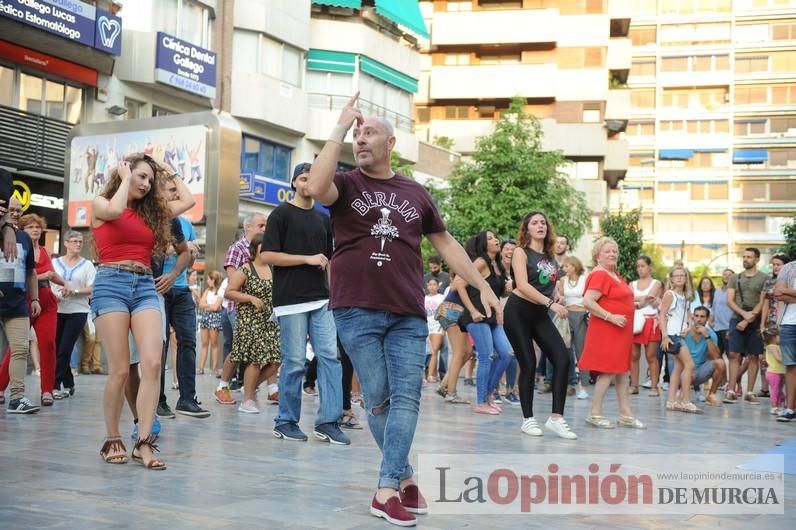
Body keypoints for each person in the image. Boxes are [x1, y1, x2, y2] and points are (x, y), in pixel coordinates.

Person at [306, 92, 499, 527]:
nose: (361, 139)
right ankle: (406, 476)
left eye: (369, 132)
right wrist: (339, 126)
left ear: (391, 143)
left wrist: (484, 284)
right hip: (355, 308)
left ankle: (387, 488)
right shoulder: (347, 184)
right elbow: (317, 189)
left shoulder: (416, 192)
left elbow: (446, 243)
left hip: (408, 312)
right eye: (357, 134)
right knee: (378, 399)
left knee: (407, 397)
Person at [92, 153, 194, 469]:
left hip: (145, 286)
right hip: (111, 284)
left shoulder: (154, 214)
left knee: (152, 363)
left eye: (150, 180)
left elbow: (188, 200)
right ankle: (112, 438)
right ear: (125, 173)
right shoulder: (100, 203)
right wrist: (124, 179)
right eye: (142, 176)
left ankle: (143, 442)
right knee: (121, 370)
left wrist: (166, 169)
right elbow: (113, 210)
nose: (147, 183)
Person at [262, 161, 347, 444]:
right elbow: (268, 256)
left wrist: (334, 292)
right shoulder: (280, 214)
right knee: (295, 360)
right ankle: (286, 420)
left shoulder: (324, 219)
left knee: (330, 358)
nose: (307, 183)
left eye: (312, 179)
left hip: (321, 299)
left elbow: (330, 261)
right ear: (294, 183)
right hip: (290, 300)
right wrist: (306, 259)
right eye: (303, 178)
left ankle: (329, 422)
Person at [503, 212, 578, 439]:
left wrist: (556, 296)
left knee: (563, 359)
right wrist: (550, 304)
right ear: (527, 229)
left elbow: (548, 284)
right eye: (534, 223)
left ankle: (556, 418)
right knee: (528, 362)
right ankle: (528, 420)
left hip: (539, 313)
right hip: (518, 311)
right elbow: (523, 285)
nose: (540, 226)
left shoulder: (549, 256)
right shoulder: (520, 252)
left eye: (543, 222)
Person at [579, 237, 644, 429]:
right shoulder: (600, 275)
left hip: (620, 330)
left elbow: (617, 300)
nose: (612, 254)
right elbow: (588, 301)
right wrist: (611, 317)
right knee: (607, 372)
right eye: (607, 251)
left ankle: (625, 414)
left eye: (614, 251)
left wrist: (641, 303)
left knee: (622, 371)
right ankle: (594, 413)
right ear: (597, 256)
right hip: (608, 329)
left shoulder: (614, 274)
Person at [156, 177, 207, 419]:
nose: (177, 194)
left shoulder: (182, 223)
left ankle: (187, 399)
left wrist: (185, 255)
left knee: (189, 342)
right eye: (172, 190)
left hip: (181, 289)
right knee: (160, 345)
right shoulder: (151, 219)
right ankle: (158, 401)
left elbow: (188, 256)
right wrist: (171, 249)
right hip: (156, 289)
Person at [224, 234, 281, 414]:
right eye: (263, 247)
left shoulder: (274, 269)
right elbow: (229, 292)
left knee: (276, 361)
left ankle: (250, 387)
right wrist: (250, 298)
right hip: (250, 320)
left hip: (270, 321)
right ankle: (247, 400)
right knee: (255, 359)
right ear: (255, 249)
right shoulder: (246, 269)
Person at [456, 231, 512, 415]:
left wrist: (511, 287)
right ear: (482, 244)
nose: (495, 240)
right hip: (477, 316)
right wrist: (472, 310)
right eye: (490, 238)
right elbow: (459, 284)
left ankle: (488, 396)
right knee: (486, 356)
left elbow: (500, 293)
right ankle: (481, 402)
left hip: (492, 317)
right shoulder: (480, 262)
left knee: (505, 354)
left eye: (495, 237)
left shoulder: (499, 266)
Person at [215, 213, 268, 405]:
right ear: (249, 228)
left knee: (264, 351)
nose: (264, 229)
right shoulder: (237, 249)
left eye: (266, 226)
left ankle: (259, 389)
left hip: (260, 310)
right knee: (241, 348)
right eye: (261, 225)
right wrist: (253, 295)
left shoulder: (266, 250)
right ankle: (223, 386)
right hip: (239, 306)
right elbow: (232, 283)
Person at [14, 214, 66, 405]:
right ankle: (1, 387)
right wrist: (47, 274)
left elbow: (53, 275)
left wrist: (66, 284)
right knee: (18, 347)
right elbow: (22, 275)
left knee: (49, 344)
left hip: (47, 300)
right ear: (22, 231)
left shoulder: (44, 250)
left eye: (37, 227)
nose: (35, 230)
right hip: (24, 299)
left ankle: (47, 390)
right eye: (30, 227)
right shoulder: (18, 249)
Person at [0, 196, 40, 413]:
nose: (15, 213)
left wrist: (34, 299)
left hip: (17, 303)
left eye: (18, 210)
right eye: (11, 209)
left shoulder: (24, 237)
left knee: (21, 349)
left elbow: (31, 272)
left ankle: (17, 398)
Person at [53, 230, 96, 392]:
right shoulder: (55, 263)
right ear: (65, 243)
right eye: (74, 241)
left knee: (65, 348)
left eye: (80, 242)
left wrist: (74, 292)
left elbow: (92, 288)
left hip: (78, 311)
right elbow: (48, 283)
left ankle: (54, 386)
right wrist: (54, 295)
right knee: (57, 348)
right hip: (56, 309)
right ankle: (69, 383)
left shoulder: (87, 265)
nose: (78, 244)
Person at [724, 248, 768, 404]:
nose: (745, 259)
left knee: (754, 356)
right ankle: (731, 390)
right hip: (737, 319)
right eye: (744, 256)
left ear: (757, 259)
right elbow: (729, 300)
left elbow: (763, 301)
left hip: (755, 321)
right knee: (733, 354)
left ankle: (750, 392)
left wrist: (750, 318)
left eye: (749, 257)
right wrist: (743, 315)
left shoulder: (765, 278)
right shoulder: (735, 278)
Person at [659, 265, 701, 413]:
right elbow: (662, 315)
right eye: (676, 276)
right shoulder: (670, 294)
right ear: (671, 278)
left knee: (678, 366)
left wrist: (689, 326)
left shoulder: (686, 296)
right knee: (689, 365)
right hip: (672, 334)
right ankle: (685, 400)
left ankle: (671, 401)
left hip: (681, 334)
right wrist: (664, 336)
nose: (680, 278)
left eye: (683, 275)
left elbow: (688, 314)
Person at [679, 306, 725, 407]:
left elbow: (716, 356)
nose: (699, 319)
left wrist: (706, 336)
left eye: (702, 317)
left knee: (720, 363)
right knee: (689, 372)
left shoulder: (710, 334)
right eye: (696, 316)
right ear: (692, 317)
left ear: (707, 318)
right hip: (683, 371)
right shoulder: (684, 332)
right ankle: (682, 394)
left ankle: (711, 395)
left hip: (699, 371)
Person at [631, 255, 663, 396]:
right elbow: (627, 297)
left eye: (643, 266)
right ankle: (634, 385)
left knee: (651, 355)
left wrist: (637, 299)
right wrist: (643, 299)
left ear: (649, 267)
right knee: (633, 355)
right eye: (638, 266)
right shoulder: (632, 284)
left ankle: (654, 386)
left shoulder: (656, 283)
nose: (640, 269)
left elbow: (650, 297)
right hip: (636, 320)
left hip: (651, 321)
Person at [560, 255, 589, 400]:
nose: (564, 269)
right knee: (565, 350)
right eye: (564, 266)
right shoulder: (562, 281)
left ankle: (583, 386)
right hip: (566, 316)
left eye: (567, 266)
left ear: (574, 266)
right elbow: (559, 298)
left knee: (581, 351)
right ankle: (567, 384)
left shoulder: (585, 279)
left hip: (581, 315)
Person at [774, 259, 796, 422]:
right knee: (790, 366)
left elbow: (785, 293)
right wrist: (784, 293)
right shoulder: (789, 267)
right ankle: (790, 408)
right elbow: (779, 293)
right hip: (789, 323)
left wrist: (790, 292)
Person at [197, 270, 223, 376]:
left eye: (209, 279)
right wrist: (209, 306)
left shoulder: (220, 292)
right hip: (206, 317)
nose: (207, 281)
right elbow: (201, 304)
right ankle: (201, 367)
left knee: (214, 343)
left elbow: (216, 307)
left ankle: (214, 368)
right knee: (204, 343)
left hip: (215, 318)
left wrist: (207, 306)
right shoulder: (207, 291)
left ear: (214, 280)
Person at [424, 278, 445, 384]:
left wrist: (443, 327)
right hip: (426, 326)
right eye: (430, 284)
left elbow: (444, 312)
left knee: (434, 350)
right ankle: (424, 375)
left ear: (438, 286)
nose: (432, 286)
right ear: (427, 286)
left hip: (437, 325)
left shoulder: (441, 298)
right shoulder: (424, 298)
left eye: (434, 284)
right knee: (425, 351)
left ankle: (431, 375)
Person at [764, 334, 785, 416]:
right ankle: (774, 406)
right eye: (779, 336)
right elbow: (778, 358)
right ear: (774, 337)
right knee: (775, 390)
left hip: (779, 372)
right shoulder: (772, 347)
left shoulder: (775, 346)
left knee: (779, 390)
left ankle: (779, 405)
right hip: (774, 372)